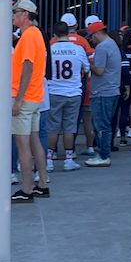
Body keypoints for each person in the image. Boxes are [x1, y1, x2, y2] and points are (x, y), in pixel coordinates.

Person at [11, 0, 49, 202]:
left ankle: (26, 190)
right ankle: (42, 184)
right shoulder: (36, 34)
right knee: (34, 141)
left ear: (24, 14)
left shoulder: (27, 36)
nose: (12, 15)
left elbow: (27, 67)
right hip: (35, 96)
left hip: (24, 97)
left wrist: (18, 100)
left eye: (15, 11)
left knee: (22, 143)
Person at [47, 20, 90, 171]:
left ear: (54, 35)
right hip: (73, 93)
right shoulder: (78, 49)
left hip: (54, 92)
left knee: (52, 127)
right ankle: (68, 159)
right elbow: (86, 68)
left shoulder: (50, 50)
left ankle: (49, 160)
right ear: (68, 33)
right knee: (69, 127)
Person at [85, 22, 121, 167]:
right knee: (105, 125)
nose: (90, 40)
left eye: (91, 36)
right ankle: (103, 154)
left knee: (101, 126)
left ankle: (104, 155)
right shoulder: (113, 44)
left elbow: (99, 71)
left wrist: (88, 63)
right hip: (111, 90)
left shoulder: (101, 47)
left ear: (97, 33)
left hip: (102, 92)